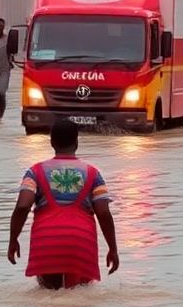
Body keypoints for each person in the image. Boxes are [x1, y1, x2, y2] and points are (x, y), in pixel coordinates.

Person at [7, 119, 119, 289]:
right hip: (81, 244)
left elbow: (23, 206)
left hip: (47, 243)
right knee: (80, 304)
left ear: (51, 142)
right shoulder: (93, 174)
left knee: (49, 302)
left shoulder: (35, 172)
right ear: (77, 142)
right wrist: (113, 248)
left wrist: (13, 239)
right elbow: (103, 213)